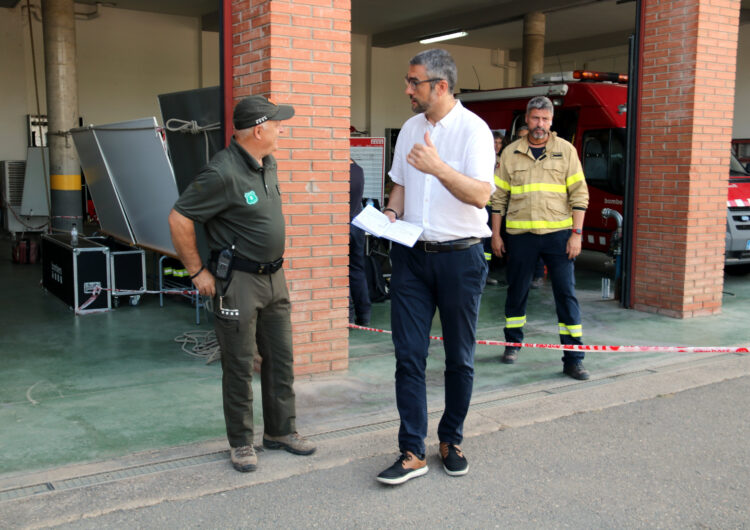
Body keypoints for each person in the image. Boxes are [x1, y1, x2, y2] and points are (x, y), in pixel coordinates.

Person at [168, 95, 316, 473]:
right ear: (258, 129)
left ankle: (281, 432)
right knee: (238, 365)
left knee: (280, 360)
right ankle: (241, 443)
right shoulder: (221, 172)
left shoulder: (269, 163)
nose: (282, 130)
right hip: (239, 282)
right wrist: (198, 271)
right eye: (278, 124)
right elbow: (180, 218)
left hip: (274, 279)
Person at [376, 49, 495, 485]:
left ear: (441, 86)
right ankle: (411, 450)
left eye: (414, 82)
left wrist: (438, 167)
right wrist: (390, 213)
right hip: (411, 257)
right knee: (408, 356)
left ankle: (451, 439)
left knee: (459, 357)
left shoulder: (474, 131)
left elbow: (481, 195)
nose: (407, 89)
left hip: (460, 259)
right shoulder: (409, 129)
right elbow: (401, 185)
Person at [491, 96, 590, 380]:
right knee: (516, 293)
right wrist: (496, 234)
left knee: (566, 296)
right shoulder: (511, 154)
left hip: (558, 237)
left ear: (552, 121)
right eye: (535, 118)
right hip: (521, 237)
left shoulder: (566, 151)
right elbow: (498, 199)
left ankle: (573, 358)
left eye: (545, 119)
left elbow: (580, 196)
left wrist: (577, 234)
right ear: (527, 118)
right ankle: (512, 344)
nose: (540, 125)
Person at [349, 159, 371, 325]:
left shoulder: (338, 171)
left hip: (343, 226)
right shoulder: (358, 169)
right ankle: (364, 315)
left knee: (340, 271)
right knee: (357, 270)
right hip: (357, 225)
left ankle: (347, 317)